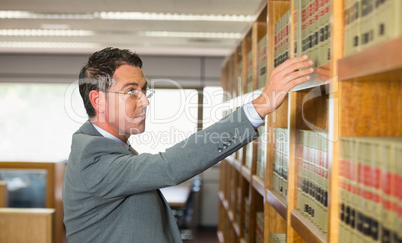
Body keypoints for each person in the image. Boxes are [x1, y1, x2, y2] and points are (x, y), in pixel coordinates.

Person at [62, 47, 314, 242]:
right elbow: (168, 167)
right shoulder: (91, 155)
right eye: (131, 91)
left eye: (144, 91)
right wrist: (260, 106)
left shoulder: (112, 146)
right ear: (99, 100)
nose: (145, 102)